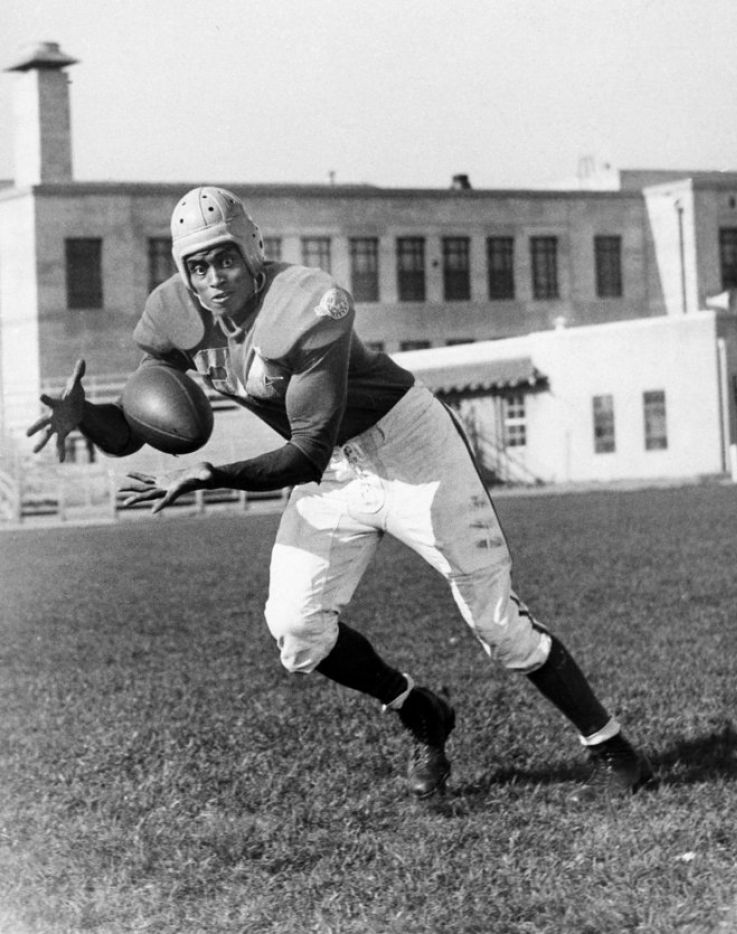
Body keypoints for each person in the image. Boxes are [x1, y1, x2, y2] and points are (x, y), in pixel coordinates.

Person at [28, 186, 654, 801]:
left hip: (406, 446)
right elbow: (142, 430)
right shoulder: (172, 317)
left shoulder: (307, 303)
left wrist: (215, 475)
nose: (214, 276)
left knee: (498, 627)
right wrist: (89, 417)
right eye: (198, 265)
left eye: (224, 257)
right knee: (295, 630)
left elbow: (306, 449)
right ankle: (420, 712)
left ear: (253, 251)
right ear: (183, 273)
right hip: (332, 474)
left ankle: (610, 745)